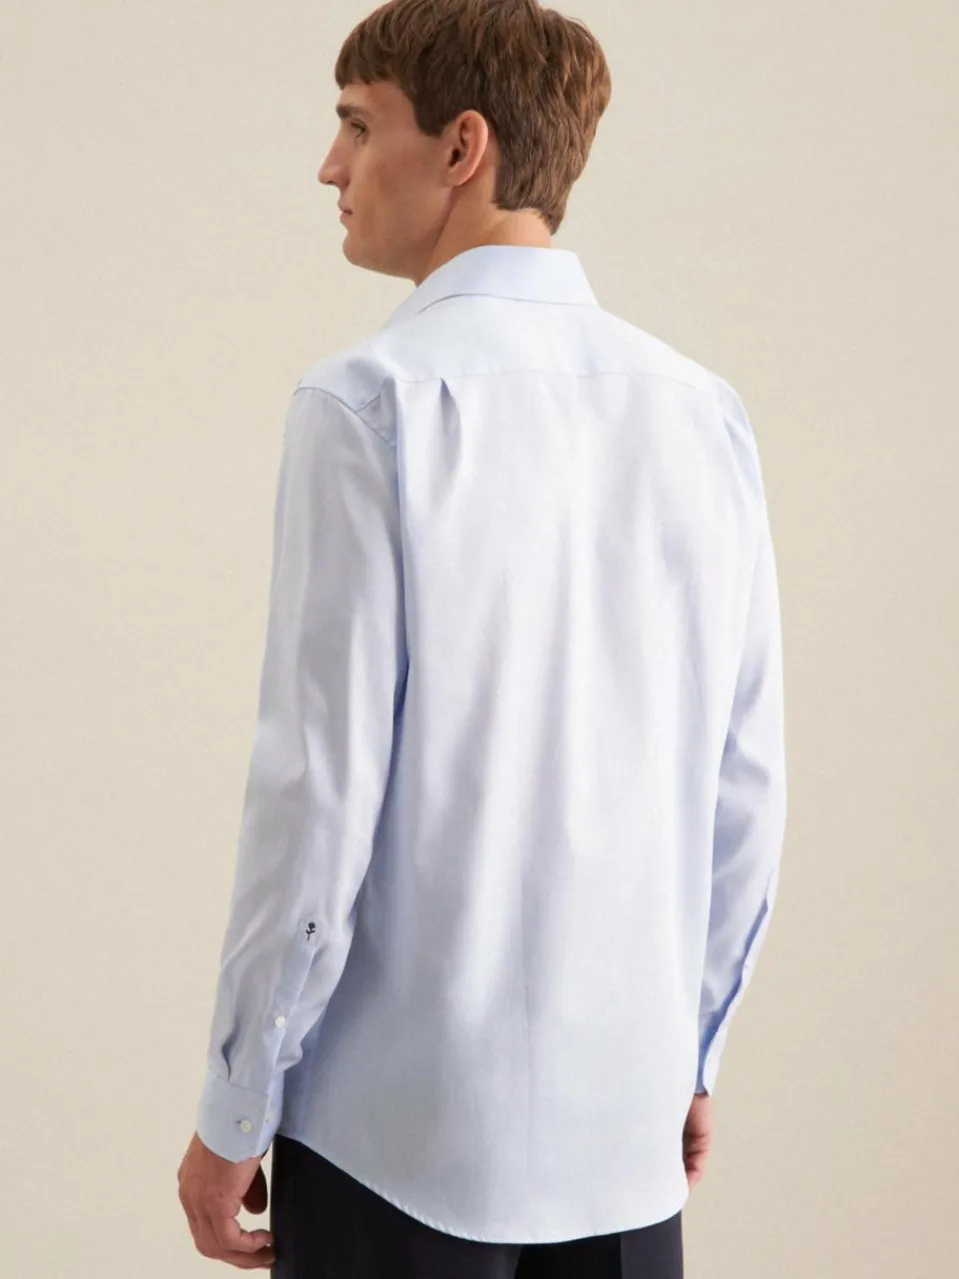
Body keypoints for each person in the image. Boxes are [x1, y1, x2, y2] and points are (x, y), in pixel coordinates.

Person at [176, 1, 788, 1275]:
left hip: (394, 1141)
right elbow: (745, 787)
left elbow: (316, 803)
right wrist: (691, 1054)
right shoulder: (701, 410)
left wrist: (235, 1105)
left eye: (358, 126)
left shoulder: (367, 403)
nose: (329, 167)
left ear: (462, 147)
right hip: (622, 1138)